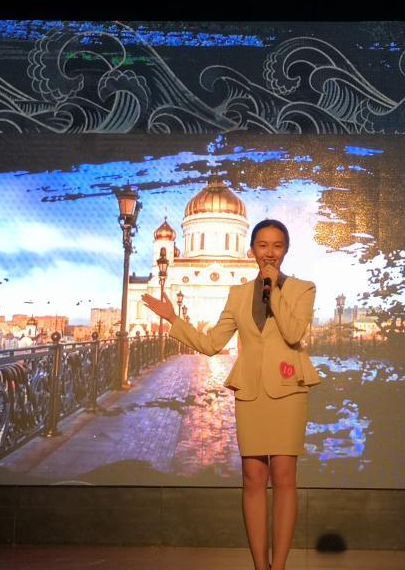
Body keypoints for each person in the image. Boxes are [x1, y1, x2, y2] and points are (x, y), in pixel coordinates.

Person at [141, 218, 320, 570]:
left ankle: (279, 567)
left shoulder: (303, 289)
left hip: (288, 390)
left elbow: (293, 333)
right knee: (253, 478)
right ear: (251, 250)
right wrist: (173, 319)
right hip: (251, 392)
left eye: (277, 245)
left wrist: (273, 289)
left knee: (284, 476)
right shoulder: (238, 294)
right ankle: (260, 566)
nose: (270, 252)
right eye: (263, 245)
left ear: (285, 250)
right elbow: (211, 344)